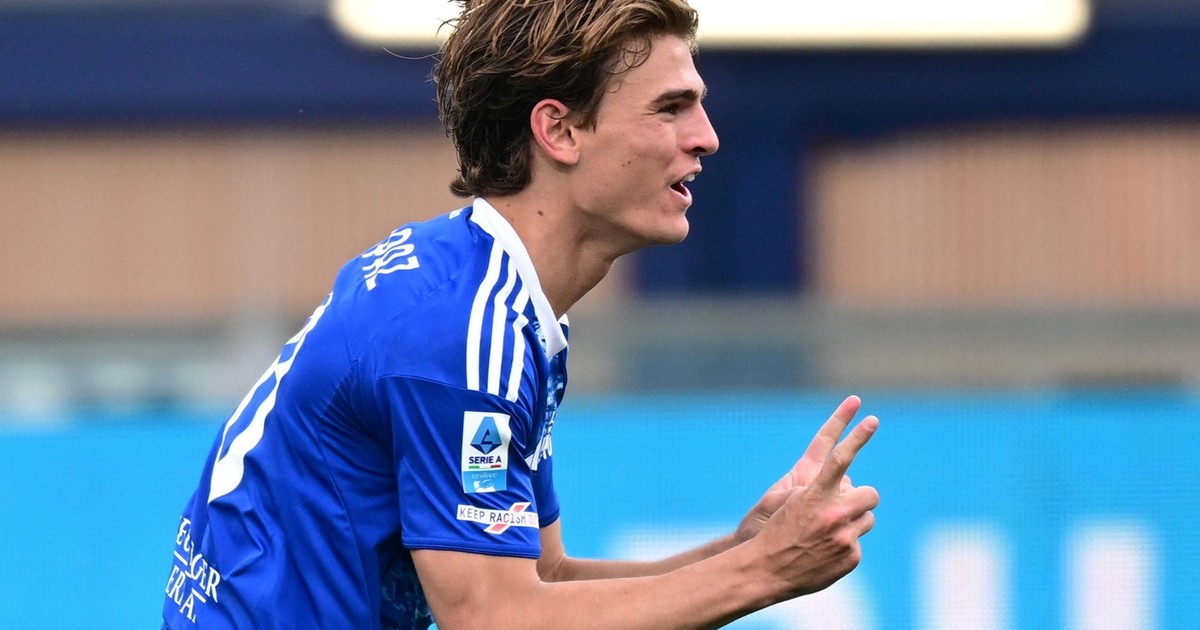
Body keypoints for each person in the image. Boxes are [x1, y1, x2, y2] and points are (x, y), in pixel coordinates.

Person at [161, 0, 880, 628]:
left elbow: (542, 580)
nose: (706, 136)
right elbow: (494, 619)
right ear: (559, 131)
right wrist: (764, 572)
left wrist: (742, 551)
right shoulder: (464, 333)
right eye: (670, 108)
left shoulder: (487, 296)